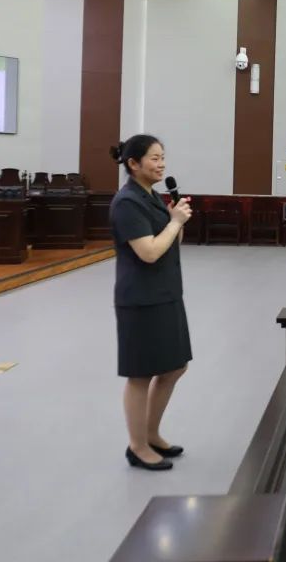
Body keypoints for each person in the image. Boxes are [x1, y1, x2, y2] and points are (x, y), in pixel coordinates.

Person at [108, 135, 193, 472]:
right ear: (133, 163)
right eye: (154, 158)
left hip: (166, 293)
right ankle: (138, 446)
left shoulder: (152, 197)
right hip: (141, 299)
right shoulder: (127, 202)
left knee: (174, 367)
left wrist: (175, 220)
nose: (161, 164)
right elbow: (149, 252)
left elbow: (172, 242)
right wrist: (175, 222)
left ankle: (152, 434)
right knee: (141, 374)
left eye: (163, 157)